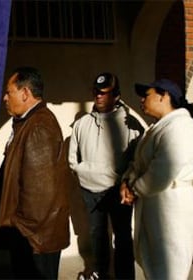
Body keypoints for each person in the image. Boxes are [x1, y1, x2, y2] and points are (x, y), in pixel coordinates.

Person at [120, 79, 193, 280]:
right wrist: (127, 181)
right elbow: (138, 164)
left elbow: (163, 170)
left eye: (146, 94)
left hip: (172, 209)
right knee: (154, 268)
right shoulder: (158, 127)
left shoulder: (181, 126)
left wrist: (134, 189)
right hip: (154, 204)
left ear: (163, 95)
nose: (142, 99)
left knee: (169, 271)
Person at [0, 66, 70, 279]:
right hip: (32, 237)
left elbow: (40, 195)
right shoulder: (28, 122)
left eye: (9, 92)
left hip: (35, 240)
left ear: (25, 93)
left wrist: (20, 230)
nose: (5, 98)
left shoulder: (38, 127)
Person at [68, 72, 145, 279]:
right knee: (97, 236)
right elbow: (72, 161)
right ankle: (100, 274)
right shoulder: (82, 124)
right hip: (89, 191)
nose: (98, 96)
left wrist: (120, 179)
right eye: (96, 92)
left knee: (122, 238)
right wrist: (85, 172)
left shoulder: (131, 124)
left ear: (116, 96)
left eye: (104, 93)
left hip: (118, 190)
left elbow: (139, 161)